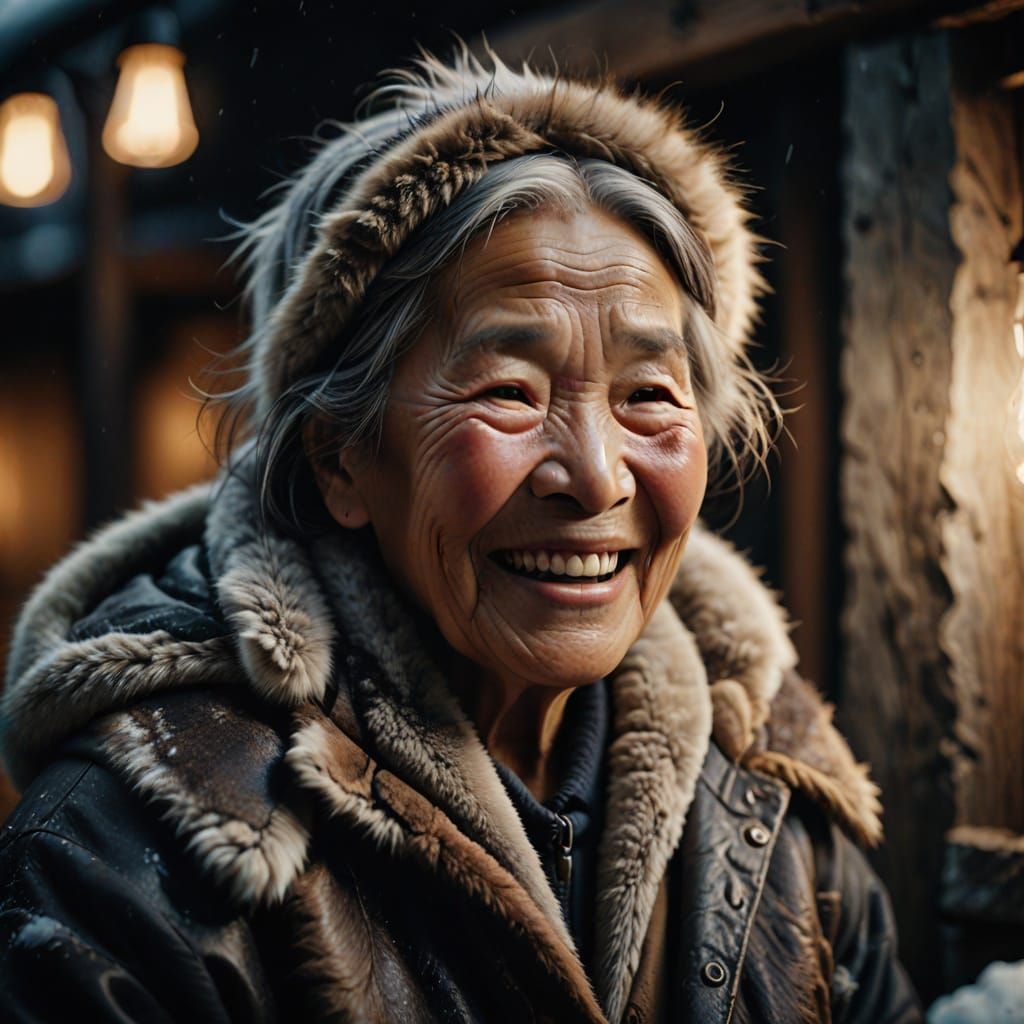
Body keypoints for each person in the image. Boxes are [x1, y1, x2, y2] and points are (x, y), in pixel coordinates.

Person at [0, 48, 921, 1023]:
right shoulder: (124, 856)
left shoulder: (772, 800)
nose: (597, 475)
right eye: (510, 392)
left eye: (649, 394)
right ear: (340, 460)